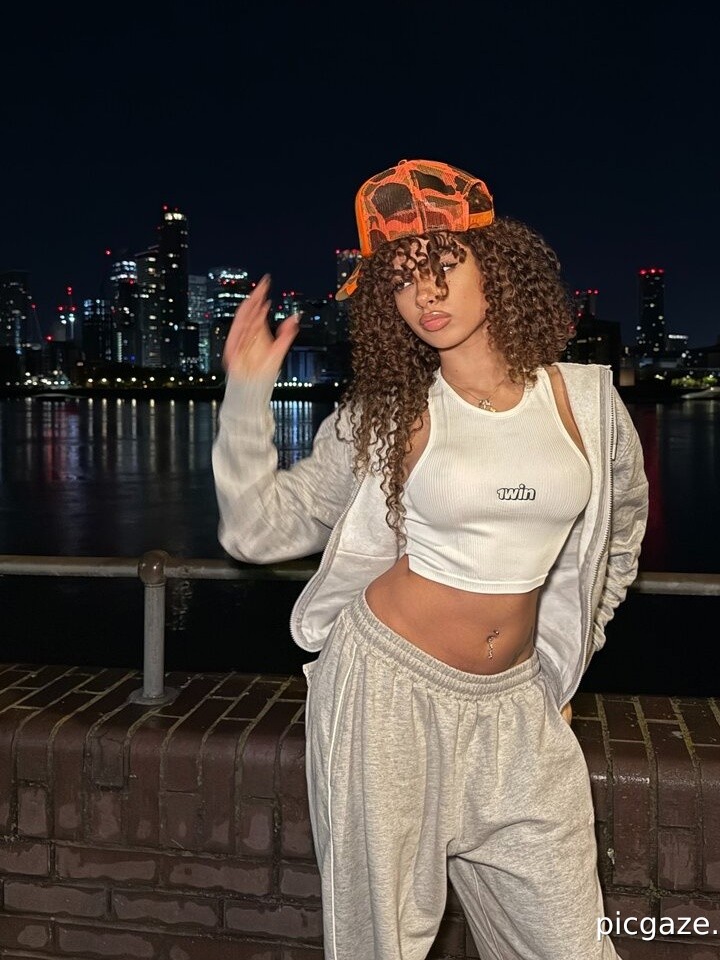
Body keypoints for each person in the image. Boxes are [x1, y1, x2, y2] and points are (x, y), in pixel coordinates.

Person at [212, 159, 649, 960]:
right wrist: (245, 396)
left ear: (497, 267)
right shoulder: (388, 413)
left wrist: (559, 667)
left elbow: (617, 543)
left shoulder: (586, 401)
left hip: (518, 713)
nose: (426, 291)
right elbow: (256, 530)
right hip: (386, 699)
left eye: (444, 261)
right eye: (402, 276)